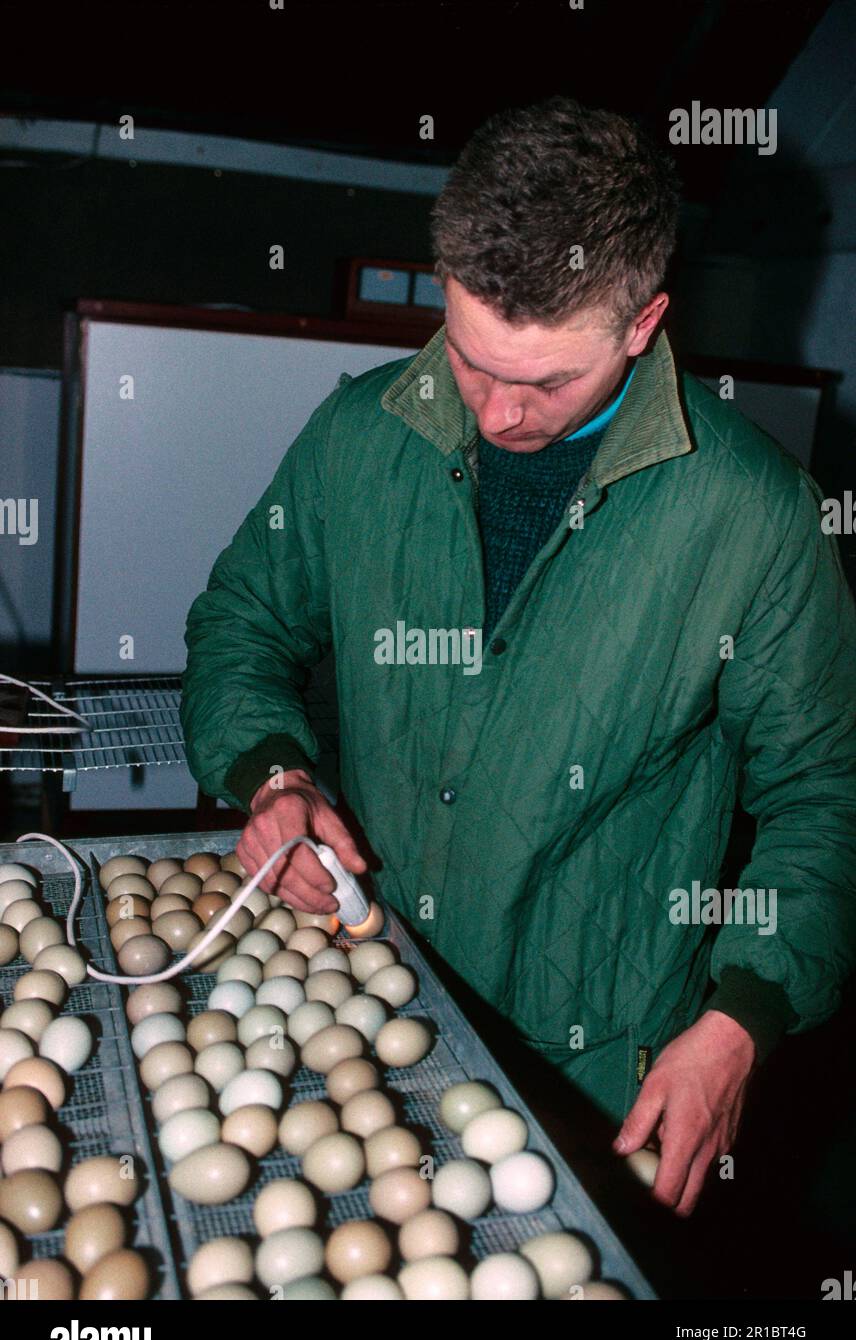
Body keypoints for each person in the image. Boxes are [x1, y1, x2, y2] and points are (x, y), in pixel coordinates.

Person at [181, 95, 856, 1217]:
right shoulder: (360, 433)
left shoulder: (754, 516)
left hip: (591, 1066)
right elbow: (241, 622)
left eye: (545, 383)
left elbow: (822, 794)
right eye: (471, 357)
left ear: (642, 324)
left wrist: (743, 1018)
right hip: (357, 993)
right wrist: (273, 773)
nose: (494, 413)